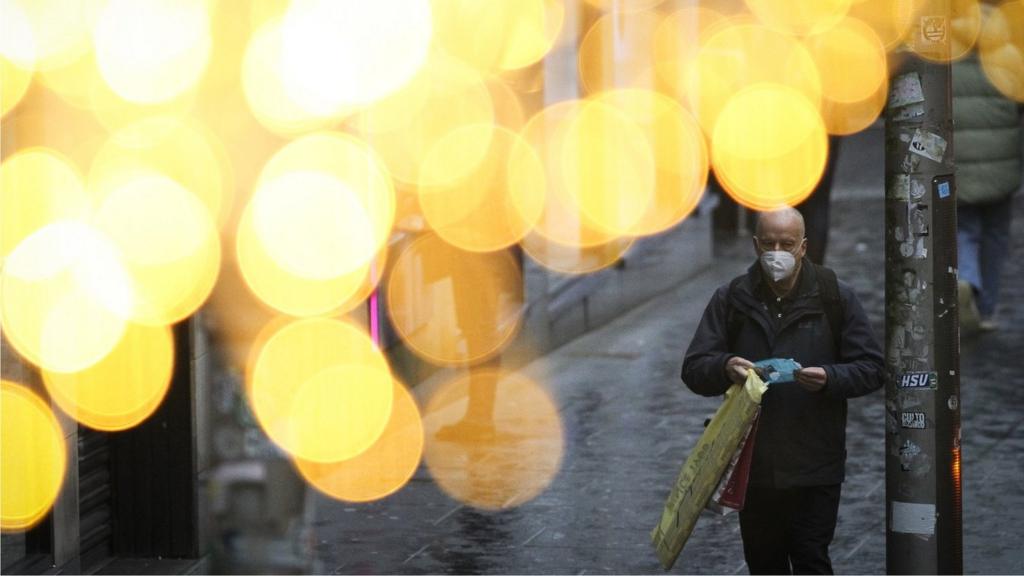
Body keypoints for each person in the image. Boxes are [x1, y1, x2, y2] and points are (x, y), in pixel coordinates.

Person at [681, 207, 884, 574]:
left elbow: (872, 368)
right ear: (756, 245)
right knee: (764, 562)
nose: (778, 252)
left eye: (787, 244)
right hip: (755, 467)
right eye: (769, 243)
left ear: (803, 247)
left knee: (811, 559)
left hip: (815, 464)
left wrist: (829, 377)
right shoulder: (732, 299)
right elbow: (694, 369)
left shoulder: (834, 297)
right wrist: (725, 366)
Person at [953, 49, 1022, 333]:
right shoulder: (1007, 37)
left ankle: (967, 279)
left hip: (959, 152)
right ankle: (987, 308)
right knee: (996, 232)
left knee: (963, 227)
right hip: (1000, 151)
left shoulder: (944, 36)